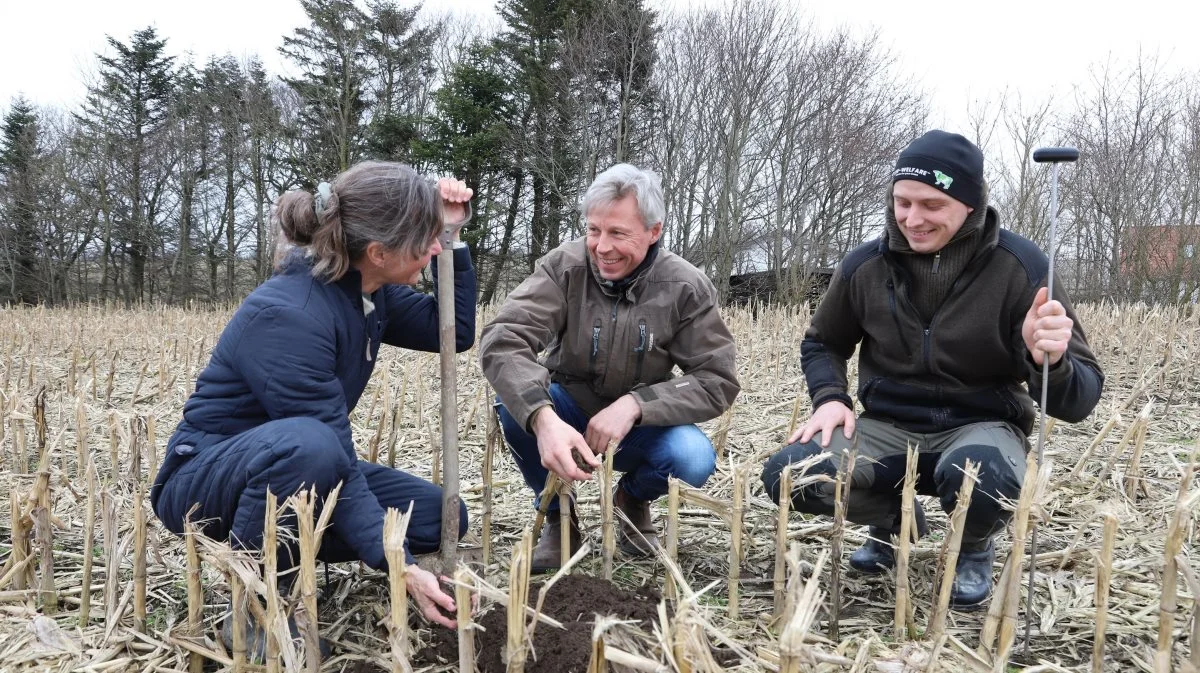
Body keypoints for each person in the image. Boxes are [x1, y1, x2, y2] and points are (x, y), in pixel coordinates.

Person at [761, 130, 1104, 608]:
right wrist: (830, 398)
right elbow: (823, 342)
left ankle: (973, 544)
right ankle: (896, 521)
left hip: (981, 427)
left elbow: (1080, 400)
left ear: (969, 204)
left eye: (931, 205)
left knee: (985, 480)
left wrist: (1050, 360)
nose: (911, 219)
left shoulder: (1022, 268)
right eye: (902, 202)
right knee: (789, 474)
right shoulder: (865, 265)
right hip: (888, 427)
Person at [150, 162, 477, 649]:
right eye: (427, 240)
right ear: (379, 252)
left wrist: (453, 236)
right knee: (313, 446)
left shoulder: (366, 292)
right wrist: (399, 565)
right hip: (203, 482)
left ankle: (289, 549)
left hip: (294, 467)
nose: (433, 250)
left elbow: (451, 331)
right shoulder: (290, 314)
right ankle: (256, 608)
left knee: (434, 515)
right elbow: (331, 456)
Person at [480, 163, 740, 571]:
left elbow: (716, 380)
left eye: (618, 233)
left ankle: (631, 499)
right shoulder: (564, 267)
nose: (602, 246)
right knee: (515, 406)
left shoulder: (685, 287)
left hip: (640, 427)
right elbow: (504, 339)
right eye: (593, 230)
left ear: (654, 232)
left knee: (692, 457)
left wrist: (636, 405)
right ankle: (558, 514)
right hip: (568, 411)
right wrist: (544, 419)